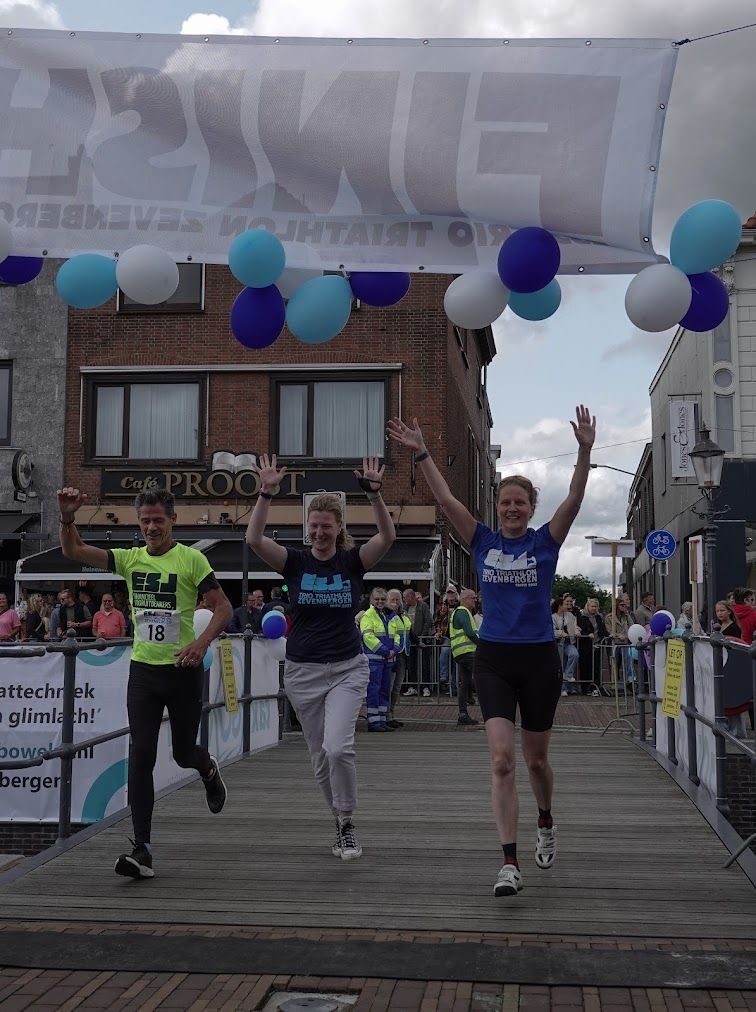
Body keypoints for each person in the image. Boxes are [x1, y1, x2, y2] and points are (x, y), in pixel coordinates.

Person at [388, 405, 596, 898]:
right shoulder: (481, 540)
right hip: (495, 660)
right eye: (505, 502)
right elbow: (446, 500)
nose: (511, 508)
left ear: (530, 507)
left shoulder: (546, 543)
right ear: (497, 507)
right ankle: (509, 862)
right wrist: (422, 454)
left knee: (536, 762)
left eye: (520, 502)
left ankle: (546, 819)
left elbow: (574, 498)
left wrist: (585, 450)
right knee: (502, 761)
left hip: (539, 659)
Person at [57, 486, 233, 880]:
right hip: (144, 672)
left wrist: (201, 643)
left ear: (173, 520)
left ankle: (207, 769)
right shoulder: (130, 559)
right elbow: (74, 550)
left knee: (183, 753)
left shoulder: (191, 559)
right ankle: (142, 848)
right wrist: (67, 517)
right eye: (145, 521)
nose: (151, 527)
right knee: (141, 755)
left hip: (183, 670)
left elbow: (223, 608)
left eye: (158, 520)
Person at [246, 454, 395, 861]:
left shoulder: (352, 562)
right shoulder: (295, 562)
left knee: (337, 748)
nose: (318, 532)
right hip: (303, 673)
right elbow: (254, 540)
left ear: (338, 528)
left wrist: (375, 496)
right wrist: (266, 493)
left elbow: (387, 538)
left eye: (326, 526)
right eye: (313, 526)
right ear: (307, 528)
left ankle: (347, 822)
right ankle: (338, 820)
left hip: (347, 668)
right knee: (319, 757)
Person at [360, 586, 398, 732]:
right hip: (375, 660)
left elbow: (397, 634)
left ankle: (381, 720)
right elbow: (368, 637)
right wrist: (386, 651)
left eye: (383, 599)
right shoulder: (368, 615)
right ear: (371, 600)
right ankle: (373, 722)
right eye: (377, 599)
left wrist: (395, 649)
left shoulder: (389, 615)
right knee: (374, 690)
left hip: (387, 659)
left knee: (384, 691)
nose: (380, 601)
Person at [449, 588, 480, 726]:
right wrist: (482, 645)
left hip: (460, 653)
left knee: (465, 683)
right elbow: (470, 633)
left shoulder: (459, 612)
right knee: (482, 679)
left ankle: (463, 714)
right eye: (473, 598)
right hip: (469, 652)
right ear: (465, 599)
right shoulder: (463, 612)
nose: (475, 600)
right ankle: (493, 712)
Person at [386, 588, 410, 728]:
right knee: (389, 687)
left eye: (397, 600)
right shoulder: (386, 615)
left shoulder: (403, 615)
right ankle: (386, 715)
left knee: (397, 688)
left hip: (403, 654)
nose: (395, 602)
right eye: (392, 600)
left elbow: (408, 632)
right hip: (392, 654)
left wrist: (418, 641)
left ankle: (391, 713)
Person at [578, 598, 608, 695]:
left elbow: (602, 629)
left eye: (595, 606)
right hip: (586, 645)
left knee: (597, 666)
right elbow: (581, 630)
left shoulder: (599, 617)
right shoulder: (582, 618)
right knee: (586, 666)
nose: (594, 608)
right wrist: (587, 634)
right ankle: (585, 687)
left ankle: (596, 685)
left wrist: (608, 635)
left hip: (598, 644)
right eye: (592, 606)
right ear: (587, 607)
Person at [552, 598, 578, 696]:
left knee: (574, 654)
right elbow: (551, 630)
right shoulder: (553, 617)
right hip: (559, 643)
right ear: (560, 606)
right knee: (561, 665)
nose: (568, 605)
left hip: (569, 642)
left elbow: (575, 626)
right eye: (565, 604)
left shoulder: (570, 616)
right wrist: (560, 633)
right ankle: (562, 688)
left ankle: (568, 675)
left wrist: (577, 631)